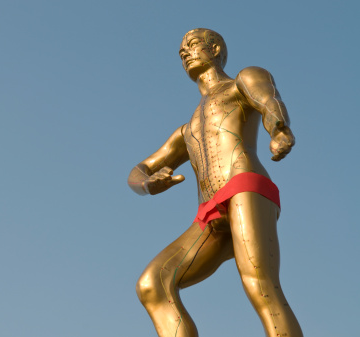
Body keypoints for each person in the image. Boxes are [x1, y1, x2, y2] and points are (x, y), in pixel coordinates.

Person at [127, 28, 303, 337]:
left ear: (216, 48)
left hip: (245, 186)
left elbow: (268, 99)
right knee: (153, 283)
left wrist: (279, 129)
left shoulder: (241, 81)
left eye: (193, 45)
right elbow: (141, 168)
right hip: (208, 212)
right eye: (181, 51)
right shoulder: (188, 129)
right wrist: (147, 183)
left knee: (260, 285)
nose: (185, 53)